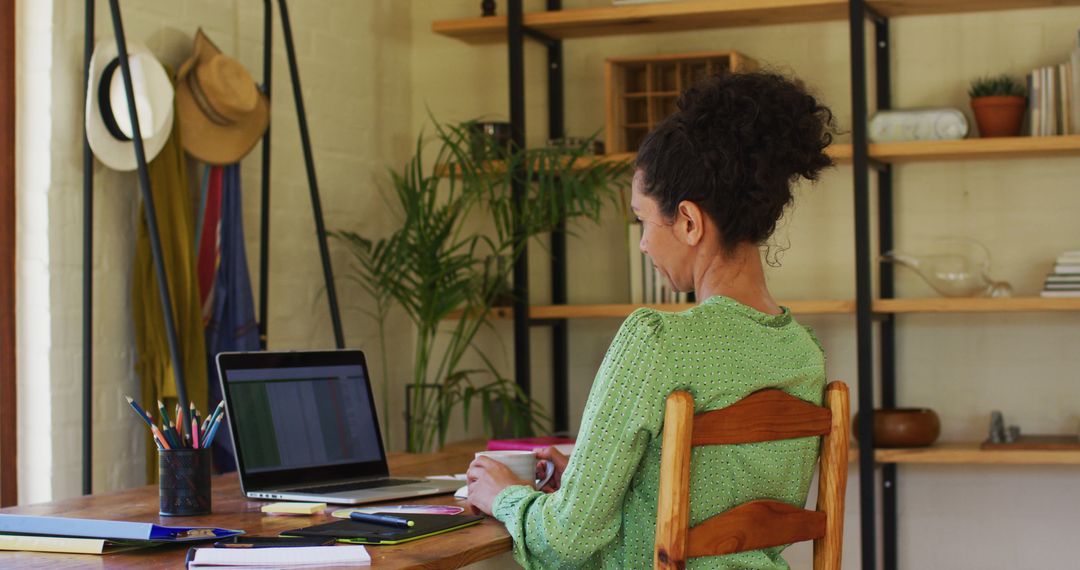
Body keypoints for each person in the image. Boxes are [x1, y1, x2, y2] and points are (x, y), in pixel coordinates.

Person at [467, 71, 835, 569]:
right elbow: (716, 494)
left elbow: (565, 539)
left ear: (688, 221)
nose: (642, 243)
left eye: (643, 220)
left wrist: (503, 496)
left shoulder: (658, 339)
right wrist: (594, 474)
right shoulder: (802, 352)